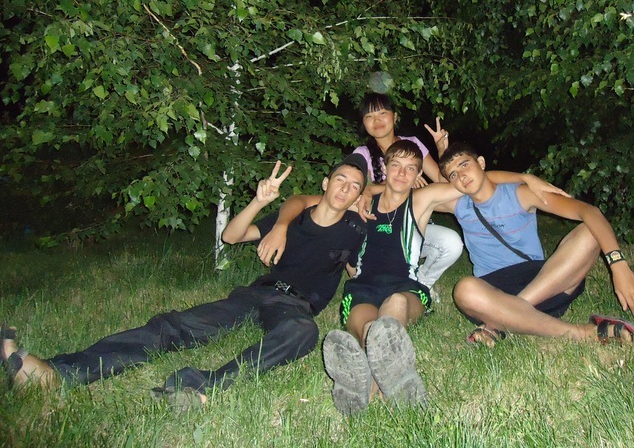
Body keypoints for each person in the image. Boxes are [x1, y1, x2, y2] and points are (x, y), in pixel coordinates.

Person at [1, 156, 369, 408]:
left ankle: (200, 386)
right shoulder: (294, 216)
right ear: (326, 183)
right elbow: (231, 236)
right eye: (340, 179)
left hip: (295, 307)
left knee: (303, 333)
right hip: (255, 294)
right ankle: (57, 374)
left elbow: (361, 267)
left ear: (358, 196)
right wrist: (260, 203)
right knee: (173, 326)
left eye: (355, 186)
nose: (346, 188)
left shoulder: (355, 229)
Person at [265, 140, 565, 415]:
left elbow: (475, 181)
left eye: (411, 168)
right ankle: (383, 381)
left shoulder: (422, 199)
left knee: (394, 306)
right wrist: (280, 224)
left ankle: (366, 383)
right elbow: (302, 201)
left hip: (406, 288)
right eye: (396, 165)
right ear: (385, 168)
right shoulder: (359, 200)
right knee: (368, 326)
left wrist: (525, 178)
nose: (402, 173)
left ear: (418, 175)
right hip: (361, 288)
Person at [435, 142, 634, 348]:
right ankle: (581, 333)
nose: (461, 176)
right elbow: (423, 189)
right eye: (453, 175)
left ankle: (501, 320)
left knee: (589, 232)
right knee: (465, 289)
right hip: (491, 292)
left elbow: (589, 212)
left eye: (464, 165)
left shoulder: (520, 193)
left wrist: (619, 265)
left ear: (481, 163)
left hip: (544, 284)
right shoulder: (458, 205)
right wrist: (437, 150)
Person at [352, 93, 461, 293]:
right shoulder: (362, 154)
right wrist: (398, 185)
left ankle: (422, 283)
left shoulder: (413, 144)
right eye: (369, 116)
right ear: (363, 123)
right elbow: (354, 194)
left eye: (382, 113)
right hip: (379, 231)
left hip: (413, 224)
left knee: (451, 241)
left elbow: (443, 183)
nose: (377, 120)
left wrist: (442, 150)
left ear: (395, 116)